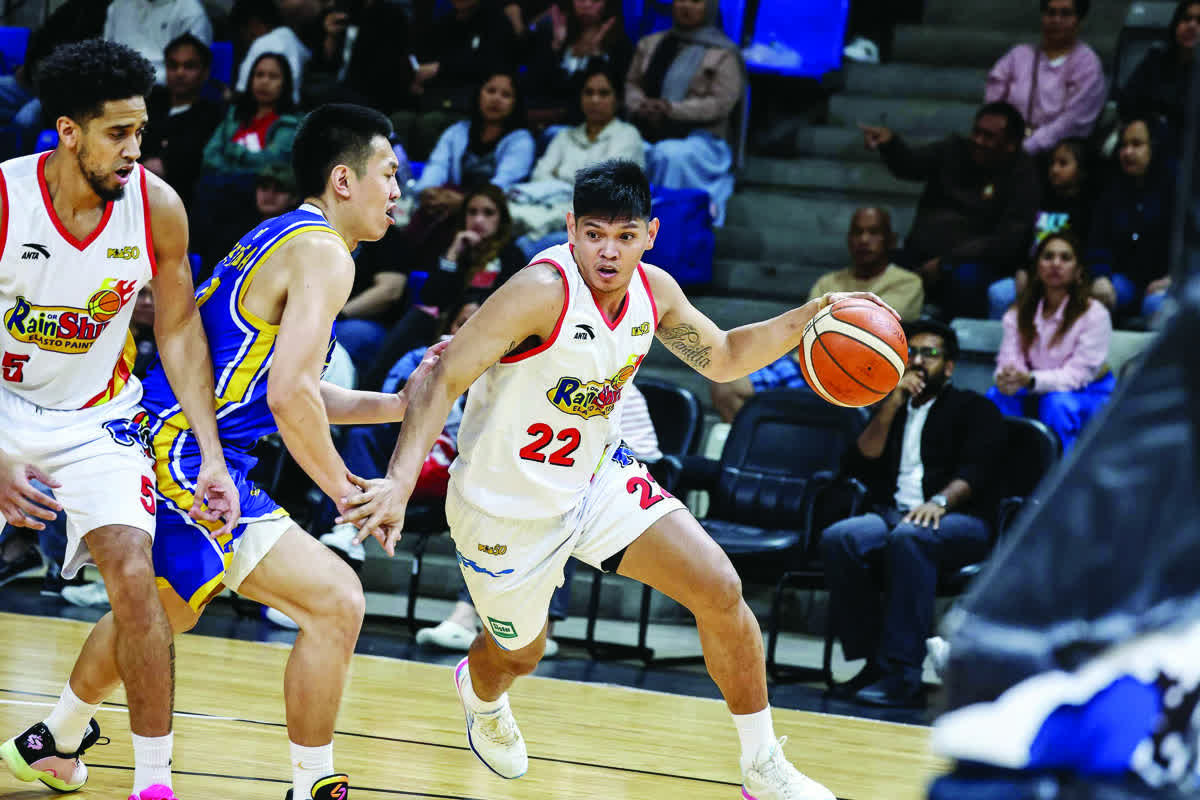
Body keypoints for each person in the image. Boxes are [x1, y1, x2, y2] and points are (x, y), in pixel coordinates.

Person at [338, 159, 900, 800]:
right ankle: (482, 693)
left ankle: (762, 764)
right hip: (505, 505)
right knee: (519, 654)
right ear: (571, 228)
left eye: (626, 235)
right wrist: (400, 483)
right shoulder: (540, 291)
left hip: (597, 476)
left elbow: (721, 358)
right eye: (595, 233)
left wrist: (810, 318)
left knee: (720, 588)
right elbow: (443, 378)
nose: (609, 251)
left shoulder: (653, 292)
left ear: (651, 234)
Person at [37, 104, 440, 800]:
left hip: (187, 440)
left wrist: (400, 404)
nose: (398, 190)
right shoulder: (324, 254)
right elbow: (289, 398)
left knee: (175, 608)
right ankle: (310, 785)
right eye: (389, 174)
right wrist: (350, 493)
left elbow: (289, 389)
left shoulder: (286, 236)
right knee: (332, 600)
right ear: (344, 180)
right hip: (185, 448)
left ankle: (56, 740)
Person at [0, 40, 239, 800]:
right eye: (118, 134)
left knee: (138, 578)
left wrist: (210, 453)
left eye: (141, 132)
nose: (135, 150)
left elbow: (177, 332)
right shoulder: (6, 199)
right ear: (68, 131)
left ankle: (152, 783)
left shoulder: (157, 207)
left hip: (96, 416)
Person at [820, 318, 1005, 708]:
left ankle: (903, 675)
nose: (919, 362)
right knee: (841, 538)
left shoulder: (974, 408)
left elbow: (978, 471)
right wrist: (889, 407)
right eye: (912, 354)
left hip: (960, 520)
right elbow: (859, 462)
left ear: (949, 366)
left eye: (930, 354)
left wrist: (939, 502)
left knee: (911, 538)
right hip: (895, 513)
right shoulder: (894, 406)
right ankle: (873, 662)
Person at [415, 377, 664, 656]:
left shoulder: (600, 376)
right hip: (568, 468)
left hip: (629, 470)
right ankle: (470, 616)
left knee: (562, 516)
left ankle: (542, 628)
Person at [710, 207, 923, 423]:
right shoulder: (828, 282)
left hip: (864, 370)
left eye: (873, 232)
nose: (864, 239)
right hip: (809, 364)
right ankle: (763, 450)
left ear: (891, 239)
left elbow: (870, 327)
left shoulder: (907, 283)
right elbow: (807, 329)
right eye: (857, 232)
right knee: (725, 385)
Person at [861, 102, 1040, 319]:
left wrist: (947, 262)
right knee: (878, 268)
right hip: (921, 253)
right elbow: (911, 165)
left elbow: (1007, 240)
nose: (978, 140)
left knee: (965, 278)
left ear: (1011, 144)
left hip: (975, 262)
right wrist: (890, 144)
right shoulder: (953, 150)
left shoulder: (1023, 175)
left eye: (988, 136)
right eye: (976, 132)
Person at [359, 184, 528, 391]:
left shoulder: (511, 254)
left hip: (490, 329)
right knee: (418, 317)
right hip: (448, 324)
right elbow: (431, 297)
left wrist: (477, 308)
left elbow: (514, 303)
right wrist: (453, 253)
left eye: (488, 213)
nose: (478, 220)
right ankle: (370, 398)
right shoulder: (459, 249)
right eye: (472, 212)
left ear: (501, 218)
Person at [988, 234, 1113, 451]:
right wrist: (1008, 377)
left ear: (1078, 271)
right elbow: (1009, 358)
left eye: (1065, 258)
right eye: (1048, 257)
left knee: (1057, 403)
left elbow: (1078, 375)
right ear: (1037, 268)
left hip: (1086, 390)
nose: (1056, 263)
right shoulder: (1017, 313)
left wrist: (1030, 380)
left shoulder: (1095, 314)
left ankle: (1060, 477)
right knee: (996, 396)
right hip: (1033, 384)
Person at [626, 0, 746, 226]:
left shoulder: (723, 53)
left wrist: (672, 110)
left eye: (696, 1)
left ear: (709, 7)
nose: (686, 6)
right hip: (646, 129)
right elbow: (632, 85)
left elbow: (720, 103)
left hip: (702, 140)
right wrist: (642, 105)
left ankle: (663, 225)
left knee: (669, 155)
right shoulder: (650, 44)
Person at [510, 63, 646, 254]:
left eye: (603, 93)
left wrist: (560, 180)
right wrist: (575, 186)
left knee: (522, 244)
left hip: (598, 224)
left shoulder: (627, 136)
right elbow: (539, 176)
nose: (595, 100)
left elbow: (606, 192)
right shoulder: (564, 136)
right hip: (550, 207)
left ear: (618, 99)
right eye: (588, 93)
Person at [986, 137, 1095, 318]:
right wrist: (1022, 269)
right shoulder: (1039, 201)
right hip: (1033, 275)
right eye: (1052, 163)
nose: (1054, 169)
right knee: (998, 293)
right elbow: (1025, 241)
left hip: (1066, 279)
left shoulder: (1087, 209)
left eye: (1063, 164)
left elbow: (1087, 253)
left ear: (1081, 171)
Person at [984, 0, 1106, 157]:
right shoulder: (1018, 56)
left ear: (1079, 20)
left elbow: (1072, 122)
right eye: (1050, 13)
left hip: (1056, 156)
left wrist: (1025, 149)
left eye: (1065, 14)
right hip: (1007, 147)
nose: (1056, 20)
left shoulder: (1087, 64)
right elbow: (993, 105)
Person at [1086, 116, 1175, 319]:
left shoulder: (1177, 190)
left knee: (1156, 305)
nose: (1127, 152)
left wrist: (1174, 279)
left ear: (1154, 147)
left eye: (1137, 144)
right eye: (1124, 145)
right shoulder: (1111, 191)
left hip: (1166, 282)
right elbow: (1098, 244)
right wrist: (1100, 276)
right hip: (1124, 279)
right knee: (1097, 301)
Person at [141, 33, 226, 207]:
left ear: (205, 72)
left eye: (189, 66)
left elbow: (193, 159)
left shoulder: (213, 114)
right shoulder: (148, 103)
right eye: (173, 65)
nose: (180, 73)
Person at [524, 0, 633, 128]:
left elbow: (605, 94)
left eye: (595, 1)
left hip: (589, 123)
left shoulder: (619, 44)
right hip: (547, 119)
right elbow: (534, 85)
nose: (586, 5)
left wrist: (595, 57)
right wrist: (556, 47)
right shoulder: (555, 35)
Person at [202, 52, 300, 179]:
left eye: (273, 76)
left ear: (285, 84)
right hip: (221, 184)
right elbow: (209, 155)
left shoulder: (291, 124)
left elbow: (272, 163)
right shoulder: (234, 114)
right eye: (259, 75)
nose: (264, 81)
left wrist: (232, 151)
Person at [1118, 0, 1200, 142]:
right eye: (1186, 19)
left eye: (1199, 21)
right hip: (1150, 142)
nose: (1192, 26)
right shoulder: (1155, 60)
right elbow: (1126, 104)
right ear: (1176, 24)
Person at [103, 0, 214, 85]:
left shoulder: (191, 12)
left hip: (166, 95)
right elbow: (106, 57)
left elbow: (192, 73)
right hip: (118, 91)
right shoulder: (118, 6)